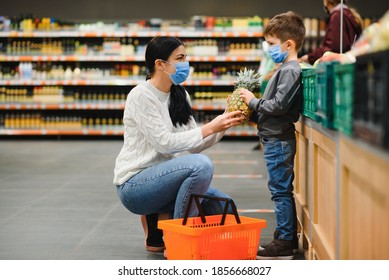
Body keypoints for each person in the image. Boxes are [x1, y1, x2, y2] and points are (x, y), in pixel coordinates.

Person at [113, 36, 244, 253]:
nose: (186, 63)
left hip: (165, 180)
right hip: (135, 185)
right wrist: (210, 127)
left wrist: (224, 123)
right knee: (200, 166)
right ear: (160, 64)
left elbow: (194, 144)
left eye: (186, 57)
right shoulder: (141, 95)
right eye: (179, 58)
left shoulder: (179, 94)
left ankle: (159, 227)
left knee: (224, 206)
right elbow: (165, 144)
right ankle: (177, 239)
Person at [239, 11, 306, 260]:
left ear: (289, 44)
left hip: (278, 140)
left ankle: (285, 242)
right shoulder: (283, 69)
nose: (268, 49)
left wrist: (254, 102)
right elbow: (276, 107)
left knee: (280, 191)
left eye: (271, 44)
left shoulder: (290, 70)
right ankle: (284, 236)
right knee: (279, 190)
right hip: (274, 136)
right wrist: (254, 114)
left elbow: (278, 106)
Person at [299, 0, 363, 65]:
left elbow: (332, 48)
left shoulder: (337, 16)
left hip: (339, 66)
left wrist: (309, 57)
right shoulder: (348, 14)